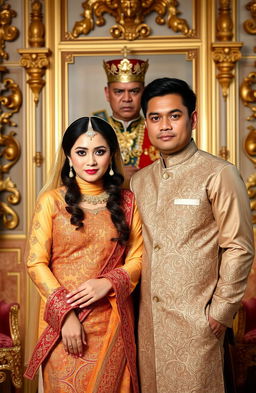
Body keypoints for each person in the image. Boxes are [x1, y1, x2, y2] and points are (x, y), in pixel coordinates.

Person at [130, 77, 255, 393]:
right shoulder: (140, 182)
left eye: (175, 115)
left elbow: (239, 247)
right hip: (147, 327)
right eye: (155, 118)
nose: (165, 126)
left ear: (193, 119)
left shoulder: (219, 174)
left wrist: (219, 313)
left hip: (198, 324)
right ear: (147, 123)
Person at [24, 116, 142, 393]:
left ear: (111, 156)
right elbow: (36, 262)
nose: (91, 161)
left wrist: (109, 282)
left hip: (112, 321)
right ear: (68, 157)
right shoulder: (51, 201)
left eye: (99, 152)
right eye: (81, 152)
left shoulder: (128, 202)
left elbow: (139, 258)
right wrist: (65, 315)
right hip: (65, 326)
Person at [99, 56, 159, 183]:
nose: (127, 98)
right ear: (107, 93)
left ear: (144, 93)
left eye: (134, 91)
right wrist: (114, 178)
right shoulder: (94, 129)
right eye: (119, 91)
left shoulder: (159, 128)